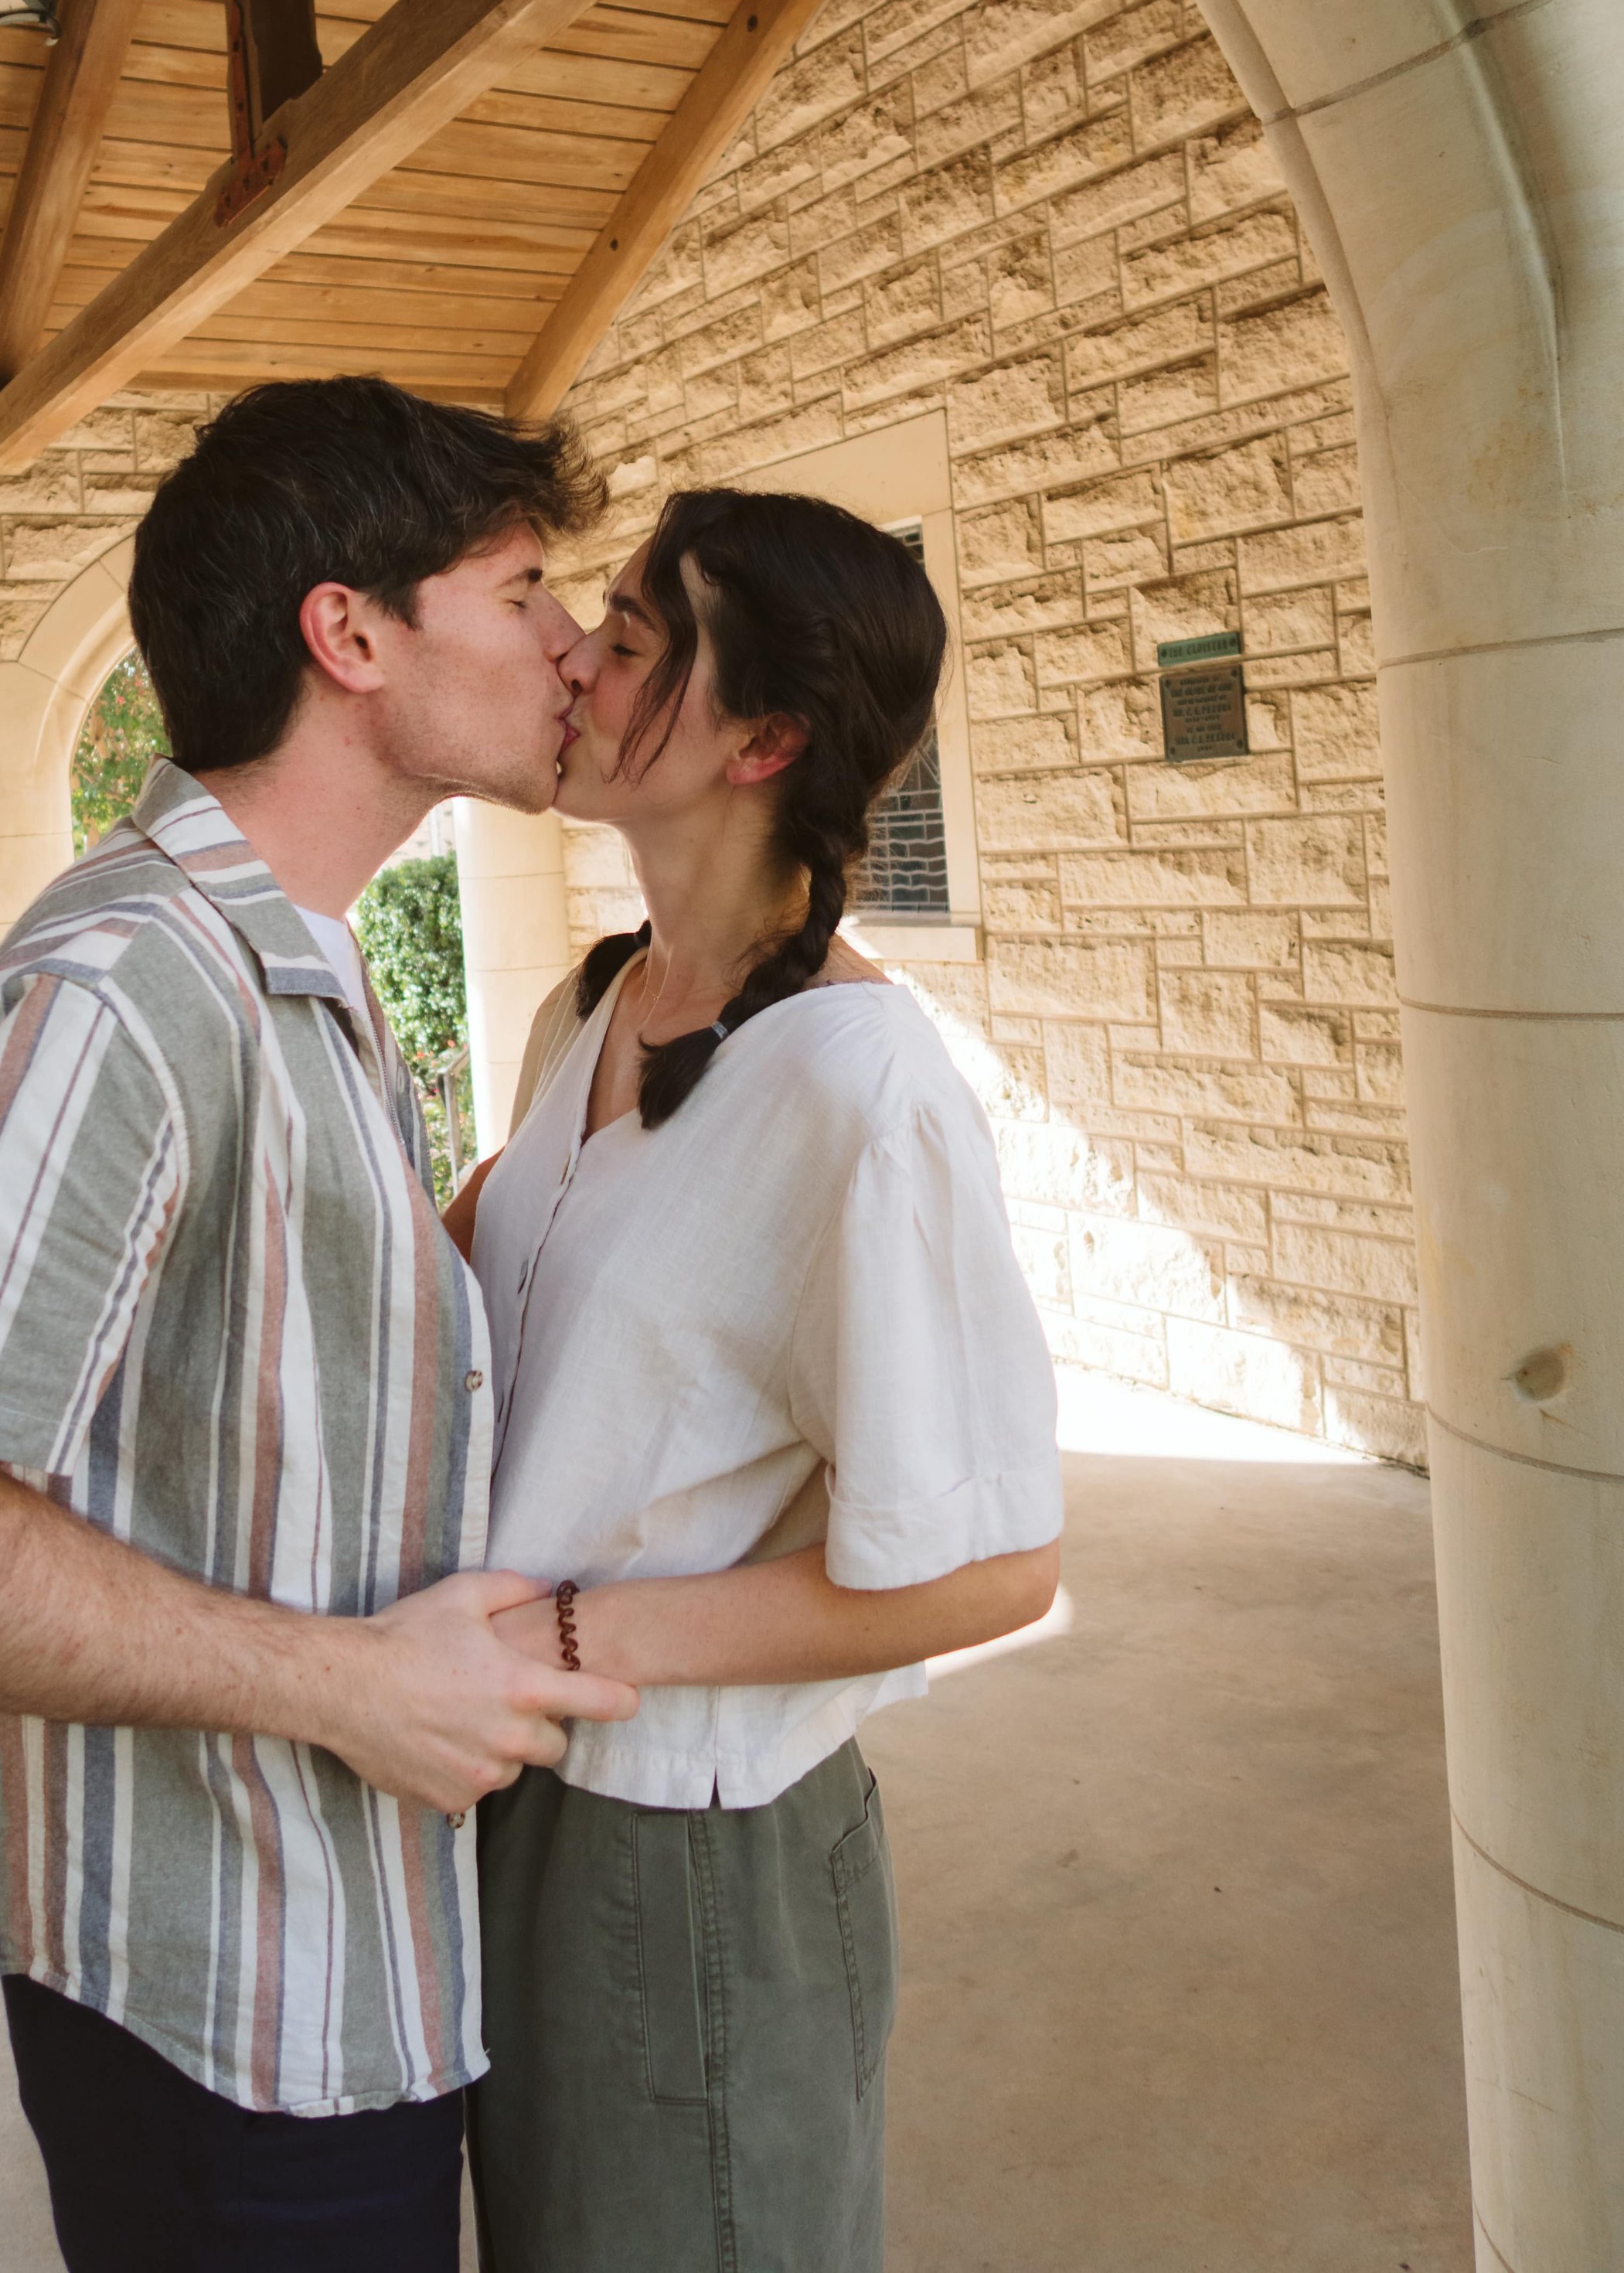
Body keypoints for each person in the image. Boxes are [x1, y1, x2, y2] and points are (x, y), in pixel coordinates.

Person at [0, 377, 641, 2273]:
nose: (572, 639)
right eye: (518, 586)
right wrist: (347, 1685)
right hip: (226, 2013)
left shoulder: (289, 965)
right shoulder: (124, 995)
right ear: (351, 633)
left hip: (337, 1960)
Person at [446, 487, 1065, 2273]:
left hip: (688, 1859)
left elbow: (989, 1565)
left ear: (764, 739)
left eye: (631, 640)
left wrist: (562, 1640)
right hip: (527, 1799)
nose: (575, 654)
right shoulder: (588, 1012)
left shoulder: (860, 1086)